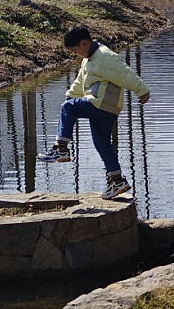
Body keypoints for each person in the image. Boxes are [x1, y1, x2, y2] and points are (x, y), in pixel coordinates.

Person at [38, 25, 150, 200]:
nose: (76, 55)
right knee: (102, 143)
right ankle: (117, 180)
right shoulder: (89, 59)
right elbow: (79, 82)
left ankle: (61, 149)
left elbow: (125, 73)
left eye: (75, 51)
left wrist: (142, 91)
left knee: (68, 108)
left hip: (99, 104)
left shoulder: (105, 56)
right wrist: (70, 96)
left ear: (84, 43)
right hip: (106, 109)